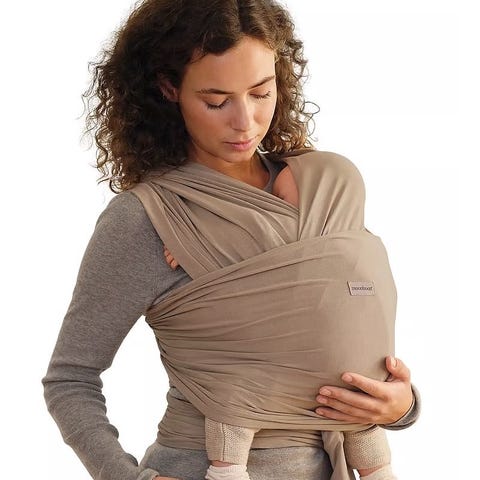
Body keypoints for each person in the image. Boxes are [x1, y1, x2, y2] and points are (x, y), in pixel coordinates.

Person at [42, 2, 420, 480]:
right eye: (217, 101)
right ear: (169, 89)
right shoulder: (148, 217)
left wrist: (400, 406)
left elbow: (339, 328)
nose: (245, 121)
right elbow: (70, 378)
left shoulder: (322, 190)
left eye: (261, 93)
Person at [162, 160, 395, 480]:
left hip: (269, 381)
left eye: (282, 200)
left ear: (321, 199)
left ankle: (227, 470)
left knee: (232, 398)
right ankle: (378, 471)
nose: (274, 206)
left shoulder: (294, 236)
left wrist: (191, 242)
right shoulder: (370, 246)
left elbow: (244, 240)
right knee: (360, 421)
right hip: (359, 380)